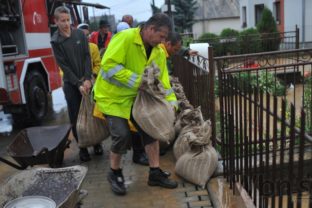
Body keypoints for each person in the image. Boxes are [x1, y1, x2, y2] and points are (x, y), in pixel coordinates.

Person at [93, 13, 178, 195]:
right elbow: (108, 66)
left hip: (135, 98)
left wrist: (171, 103)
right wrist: (137, 81)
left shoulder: (158, 51)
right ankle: (115, 173)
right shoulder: (124, 38)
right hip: (112, 98)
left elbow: (163, 81)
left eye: (165, 38)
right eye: (161, 36)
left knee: (150, 130)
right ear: (150, 29)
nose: (163, 41)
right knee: (122, 135)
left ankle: (155, 173)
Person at [50, 6, 93, 162]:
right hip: (71, 84)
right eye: (63, 21)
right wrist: (77, 83)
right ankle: (82, 147)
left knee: (93, 112)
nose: (66, 23)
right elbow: (64, 66)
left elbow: (87, 57)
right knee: (76, 117)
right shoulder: (56, 41)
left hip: (86, 80)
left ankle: (96, 142)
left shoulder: (80, 35)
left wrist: (88, 78)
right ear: (56, 21)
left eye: (68, 20)